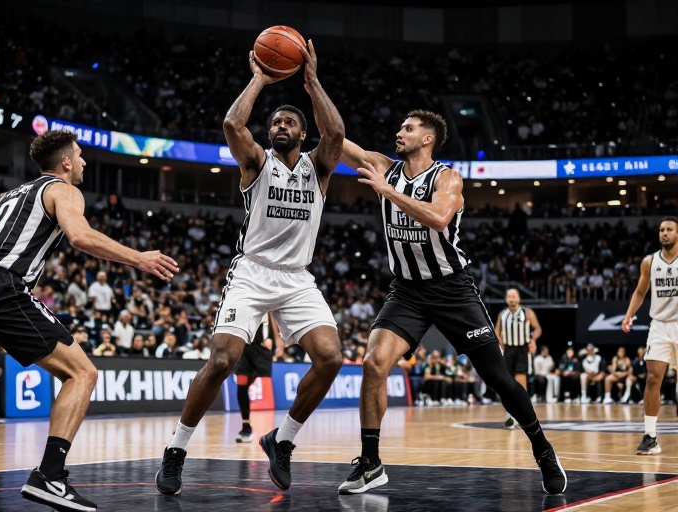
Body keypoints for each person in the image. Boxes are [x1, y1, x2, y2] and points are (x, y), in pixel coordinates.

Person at [0, 130, 179, 509]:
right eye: (80, 155)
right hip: (0, 286)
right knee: (82, 373)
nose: (83, 161)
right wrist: (138, 257)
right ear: (65, 162)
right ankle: (50, 475)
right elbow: (80, 236)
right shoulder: (63, 190)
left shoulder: (8, 197)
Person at [336, 110, 566, 496]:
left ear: (427, 139)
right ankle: (371, 462)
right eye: (401, 127)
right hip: (407, 291)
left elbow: (440, 218)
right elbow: (335, 138)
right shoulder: (383, 167)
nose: (399, 132)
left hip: (452, 290)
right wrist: (310, 88)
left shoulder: (447, 178)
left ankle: (542, 448)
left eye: (408, 129)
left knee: (498, 379)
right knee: (374, 363)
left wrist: (389, 193)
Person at [156, 40, 345, 495]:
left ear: (303, 133)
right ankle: (176, 449)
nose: (280, 126)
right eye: (275, 121)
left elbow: (336, 133)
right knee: (222, 360)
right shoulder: (257, 163)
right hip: (253, 272)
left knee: (331, 358)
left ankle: (283, 440)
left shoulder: (318, 168)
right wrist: (260, 78)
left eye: (289, 122)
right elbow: (231, 124)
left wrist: (311, 81)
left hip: (297, 277)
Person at [622, 216, 678, 455]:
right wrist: (628, 315)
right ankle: (650, 437)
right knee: (653, 378)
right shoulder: (650, 261)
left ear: (677, 234)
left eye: (669, 229)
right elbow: (639, 292)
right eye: (662, 229)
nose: (664, 233)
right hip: (659, 326)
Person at [494, 288, 542, 428]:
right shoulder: (502, 314)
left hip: (522, 349)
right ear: (506, 299)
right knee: (507, 382)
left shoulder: (527, 312)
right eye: (509, 296)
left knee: (521, 381)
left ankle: (524, 413)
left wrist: (533, 340)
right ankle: (510, 414)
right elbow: (497, 331)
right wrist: (499, 341)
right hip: (508, 349)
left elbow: (537, 329)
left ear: (519, 298)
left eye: (514, 296)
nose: (511, 298)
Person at [234, 313, 278, 443]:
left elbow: (271, 315)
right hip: (243, 345)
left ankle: (281, 432)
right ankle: (246, 426)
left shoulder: (267, 305)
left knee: (257, 380)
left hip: (260, 347)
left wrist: (272, 338)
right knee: (242, 383)